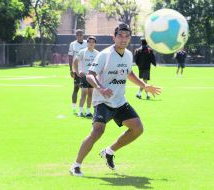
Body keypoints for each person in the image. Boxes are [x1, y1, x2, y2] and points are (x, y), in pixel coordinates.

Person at [69, 23, 161, 177]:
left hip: (119, 101)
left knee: (138, 128)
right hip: (103, 102)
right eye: (120, 36)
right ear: (114, 37)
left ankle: (109, 151)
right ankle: (75, 165)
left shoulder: (128, 55)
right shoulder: (104, 54)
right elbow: (90, 74)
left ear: (130, 38)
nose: (123, 39)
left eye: (126, 36)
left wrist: (144, 85)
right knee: (97, 131)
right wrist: (100, 88)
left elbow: (129, 73)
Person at [73, 36, 99, 117]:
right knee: (84, 93)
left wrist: (97, 74)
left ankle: (88, 111)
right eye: (89, 42)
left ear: (95, 43)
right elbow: (75, 61)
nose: (91, 43)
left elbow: (99, 65)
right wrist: (77, 72)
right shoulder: (82, 52)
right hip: (84, 76)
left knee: (90, 94)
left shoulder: (97, 53)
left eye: (93, 42)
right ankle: (80, 111)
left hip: (93, 77)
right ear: (87, 43)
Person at [68, 29, 87, 114]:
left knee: (86, 90)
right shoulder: (72, 44)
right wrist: (71, 69)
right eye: (77, 35)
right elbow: (70, 57)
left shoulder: (87, 43)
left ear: (83, 35)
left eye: (80, 34)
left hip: (86, 70)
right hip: (76, 70)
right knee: (76, 88)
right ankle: (73, 108)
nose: (79, 36)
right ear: (76, 35)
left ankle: (83, 108)